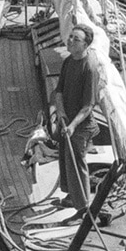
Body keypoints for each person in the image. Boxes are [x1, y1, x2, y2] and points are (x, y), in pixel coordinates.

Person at [50, 23, 99, 214]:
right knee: (66, 160)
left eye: (75, 39)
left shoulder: (90, 68)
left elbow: (88, 105)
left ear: (85, 45)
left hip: (81, 125)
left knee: (78, 165)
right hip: (67, 120)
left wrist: (72, 125)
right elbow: (59, 91)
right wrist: (61, 113)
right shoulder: (69, 61)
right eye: (70, 37)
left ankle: (84, 210)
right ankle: (72, 197)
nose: (70, 41)